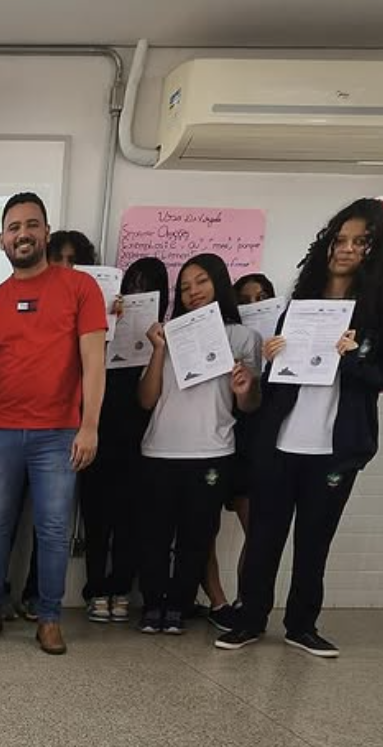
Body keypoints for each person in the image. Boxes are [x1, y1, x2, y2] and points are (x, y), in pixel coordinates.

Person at [217, 198, 383, 657]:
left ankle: (301, 625)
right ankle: (250, 618)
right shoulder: (299, 305)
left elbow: (380, 378)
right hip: (281, 441)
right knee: (265, 537)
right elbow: (273, 389)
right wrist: (268, 365)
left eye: (360, 242)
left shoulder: (376, 316)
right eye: (341, 239)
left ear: (374, 251)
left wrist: (351, 357)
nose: (347, 249)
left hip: (336, 448)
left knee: (315, 541)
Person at [0, 192, 105, 655]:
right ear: (2, 239)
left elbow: (93, 364)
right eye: (14, 227)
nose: (22, 234)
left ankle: (49, 617)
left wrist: (90, 426)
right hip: (0, 434)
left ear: (45, 231)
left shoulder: (80, 288)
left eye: (31, 225)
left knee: (55, 528)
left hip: (60, 435)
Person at [135, 254, 261, 635]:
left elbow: (250, 405)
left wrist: (245, 387)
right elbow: (145, 399)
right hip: (160, 449)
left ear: (219, 283)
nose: (193, 292)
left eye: (201, 282)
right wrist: (158, 350)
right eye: (185, 287)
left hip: (212, 451)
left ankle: (178, 607)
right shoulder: (168, 333)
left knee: (197, 536)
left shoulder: (243, 337)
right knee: (154, 537)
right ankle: (153, 604)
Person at [81, 256, 169, 625]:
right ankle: (96, 589)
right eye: (132, 285)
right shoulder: (102, 324)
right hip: (97, 429)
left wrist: (157, 345)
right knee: (95, 516)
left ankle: (121, 588)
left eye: (146, 287)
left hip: (139, 435)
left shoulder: (164, 332)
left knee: (129, 518)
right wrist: (109, 324)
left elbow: (148, 398)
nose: (136, 293)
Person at [200, 272, 279, 628]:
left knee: (257, 527)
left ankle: (248, 600)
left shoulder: (279, 342)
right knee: (203, 527)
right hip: (212, 440)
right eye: (244, 299)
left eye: (260, 298)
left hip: (253, 444)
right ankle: (217, 603)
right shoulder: (217, 335)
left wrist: (272, 359)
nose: (252, 305)